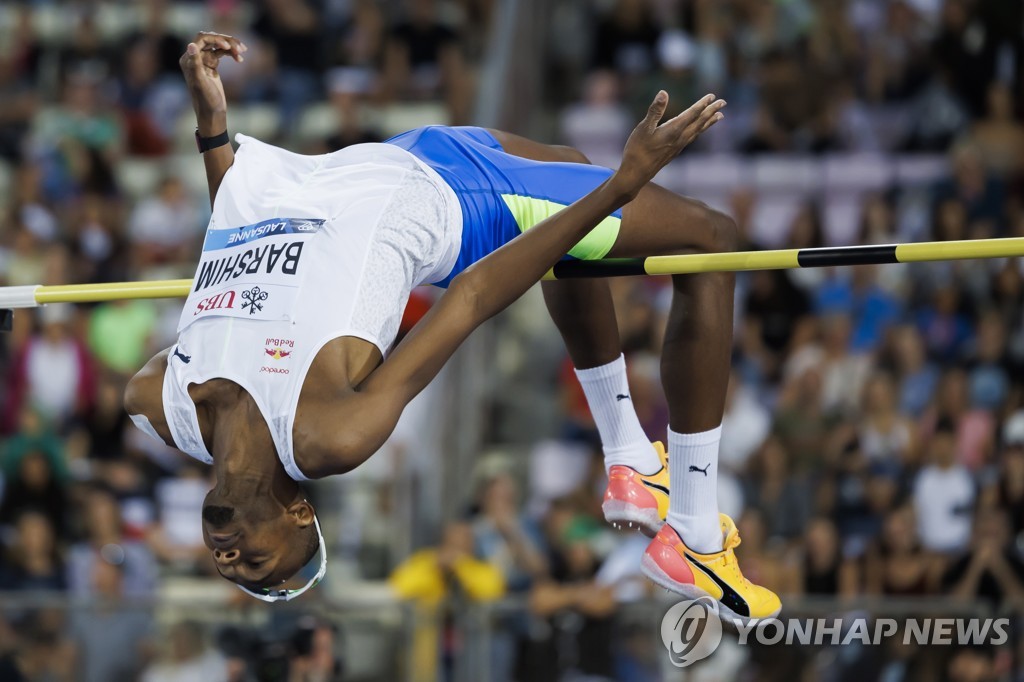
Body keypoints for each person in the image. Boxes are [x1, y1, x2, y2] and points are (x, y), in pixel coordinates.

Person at [123, 31, 779, 622]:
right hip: (453, 196)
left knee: (570, 157)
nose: (230, 560)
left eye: (230, 570)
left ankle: (631, 461)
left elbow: (236, 254)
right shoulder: (328, 434)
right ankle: (693, 532)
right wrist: (619, 188)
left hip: (372, 165)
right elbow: (467, 300)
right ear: (299, 513)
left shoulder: (158, 403)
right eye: (257, 564)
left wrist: (212, 130)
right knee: (710, 238)